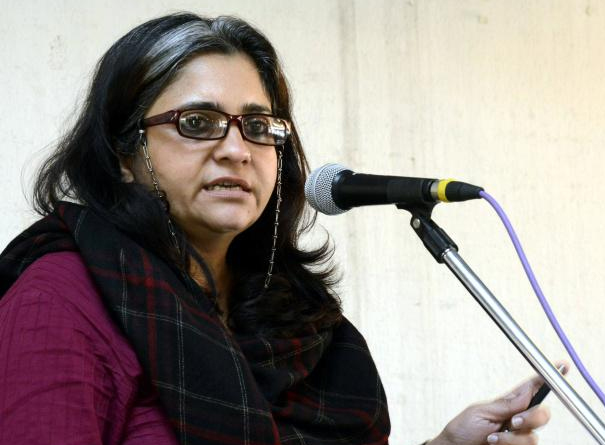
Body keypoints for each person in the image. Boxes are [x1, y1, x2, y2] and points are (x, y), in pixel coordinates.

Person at [0, 12, 564, 445]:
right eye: (197, 122)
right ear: (124, 153)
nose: (236, 149)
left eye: (258, 125)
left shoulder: (301, 320)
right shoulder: (61, 300)